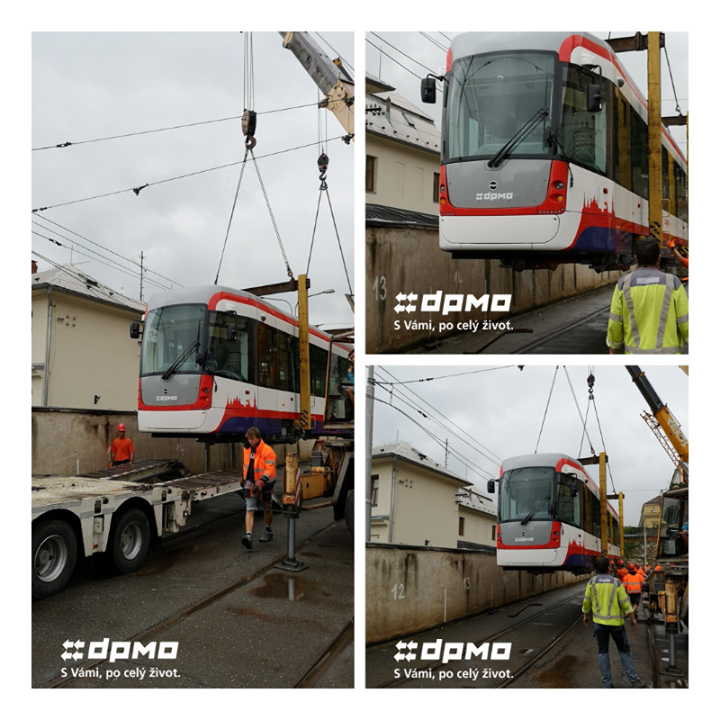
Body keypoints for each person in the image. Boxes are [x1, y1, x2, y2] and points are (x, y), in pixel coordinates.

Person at [607, 238, 689, 354]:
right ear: (658, 258)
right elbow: (685, 323)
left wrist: (613, 349)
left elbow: (615, 323)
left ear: (636, 259)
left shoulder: (623, 285)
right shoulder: (673, 283)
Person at [582, 556, 647, 688]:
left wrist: (585, 614)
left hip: (599, 624)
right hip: (616, 624)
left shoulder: (592, 582)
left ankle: (607, 683)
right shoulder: (616, 582)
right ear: (608, 568)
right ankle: (634, 681)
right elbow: (624, 602)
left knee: (602, 652)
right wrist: (632, 617)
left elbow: (587, 600)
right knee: (624, 651)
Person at [240, 427, 276, 550]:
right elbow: (245, 464)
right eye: (248, 439)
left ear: (258, 438)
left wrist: (261, 482)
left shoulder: (267, 451)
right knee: (249, 509)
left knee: (266, 508)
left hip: (264, 484)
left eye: (252, 439)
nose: (250, 441)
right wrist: (242, 476)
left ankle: (268, 530)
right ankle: (248, 536)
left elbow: (270, 468)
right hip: (250, 483)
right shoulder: (246, 449)